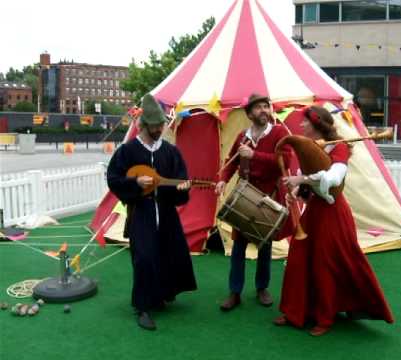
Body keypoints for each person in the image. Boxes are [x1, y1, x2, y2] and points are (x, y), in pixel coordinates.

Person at [275, 105, 394, 336]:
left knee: (325, 264)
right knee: (299, 258)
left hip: (333, 214)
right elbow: (307, 183)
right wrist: (296, 190)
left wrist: (302, 178)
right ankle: (296, 311)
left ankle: (325, 317)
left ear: (317, 123)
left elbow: (332, 178)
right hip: (314, 213)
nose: (301, 125)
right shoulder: (310, 148)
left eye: (305, 122)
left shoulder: (339, 148)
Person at [107, 94, 197, 331]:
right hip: (141, 212)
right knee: (144, 257)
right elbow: (114, 179)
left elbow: (180, 182)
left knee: (169, 252)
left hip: (166, 213)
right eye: (155, 125)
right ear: (144, 125)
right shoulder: (127, 151)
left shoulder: (170, 151)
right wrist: (135, 185)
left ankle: (161, 296)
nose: (159, 129)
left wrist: (182, 188)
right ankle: (143, 307)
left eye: (161, 125)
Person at [215, 93, 290, 311]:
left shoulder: (279, 132)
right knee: (238, 245)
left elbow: (285, 160)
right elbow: (231, 162)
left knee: (264, 244)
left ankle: (261, 288)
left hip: (267, 195)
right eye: (258, 108)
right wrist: (222, 180)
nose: (263, 111)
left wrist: (254, 154)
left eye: (266, 106)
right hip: (244, 194)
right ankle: (235, 292)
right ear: (249, 114)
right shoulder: (242, 136)